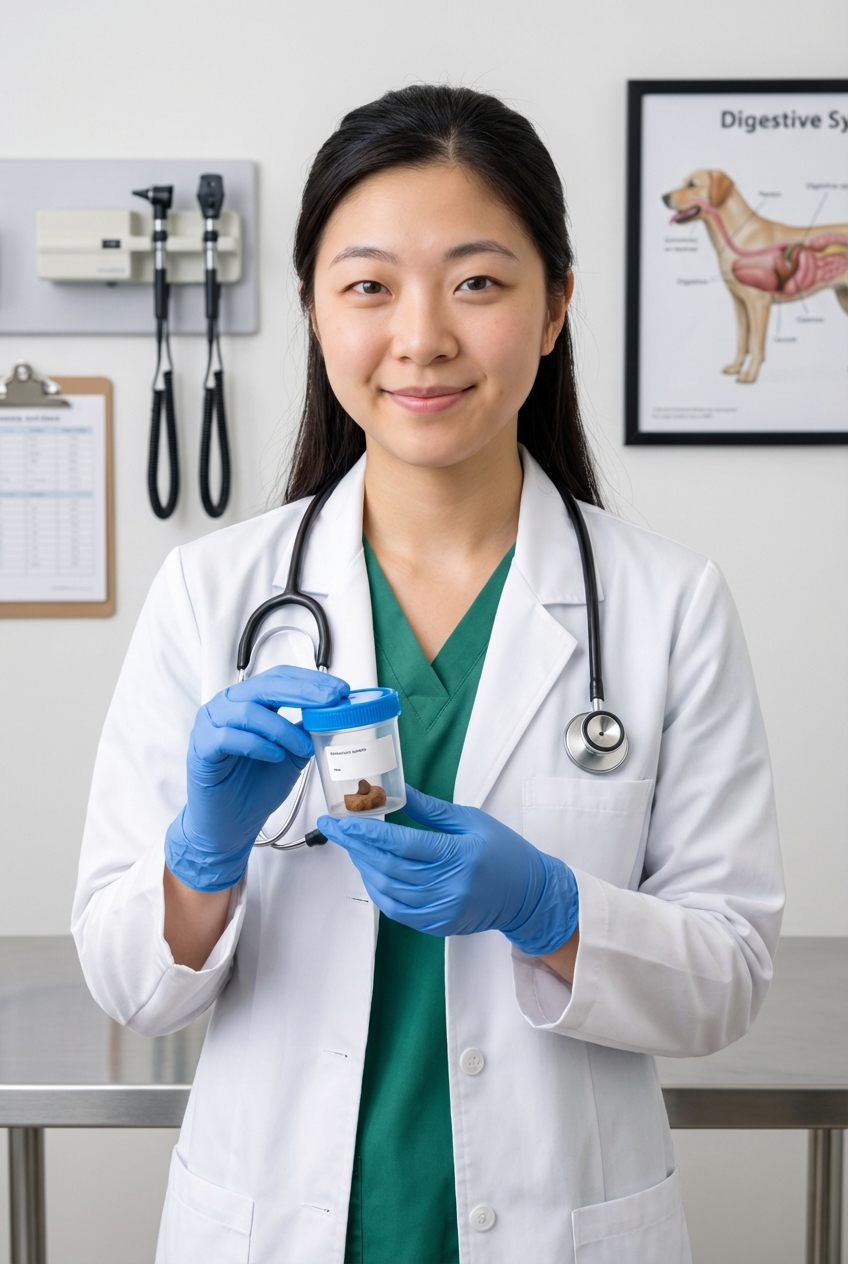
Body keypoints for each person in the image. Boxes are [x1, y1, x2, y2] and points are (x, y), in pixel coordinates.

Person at [73, 85, 784, 1264]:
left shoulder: (667, 607)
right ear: (312, 309)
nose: (420, 336)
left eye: (477, 282)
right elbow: (130, 986)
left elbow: (726, 975)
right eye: (366, 285)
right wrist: (200, 860)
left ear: (555, 307)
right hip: (269, 1223)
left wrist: (548, 910)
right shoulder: (213, 595)